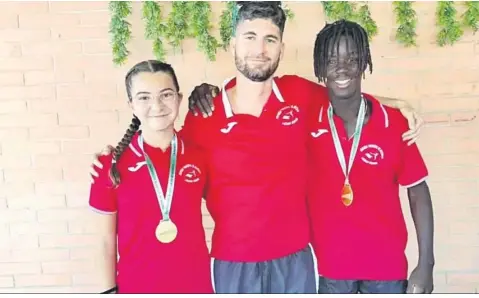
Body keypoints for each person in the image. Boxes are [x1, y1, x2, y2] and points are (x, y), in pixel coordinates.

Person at [89, 2, 422, 294]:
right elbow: (162, 149)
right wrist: (117, 154)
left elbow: (345, 98)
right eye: (250, 37)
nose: (259, 49)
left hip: (295, 261)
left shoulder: (299, 95)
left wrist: (396, 104)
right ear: (233, 43)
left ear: (280, 47)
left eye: (270, 39)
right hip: (233, 265)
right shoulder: (204, 115)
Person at [306, 20, 434, 294]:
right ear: (320, 67)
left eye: (351, 59)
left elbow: (417, 192)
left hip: (385, 270)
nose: (342, 69)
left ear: (364, 62)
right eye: (331, 60)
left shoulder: (395, 122)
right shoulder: (307, 121)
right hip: (328, 271)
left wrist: (426, 264)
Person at [89, 60, 214, 294]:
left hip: (197, 286)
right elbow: (105, 242)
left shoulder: (198, 155)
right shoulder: (110, 165)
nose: (156, 105)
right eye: (144, 97)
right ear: (131, 104)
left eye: (166, 95)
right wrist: (107, 292)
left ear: (179, 98)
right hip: (137, 287)